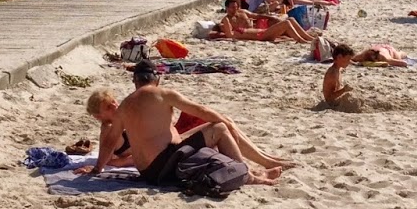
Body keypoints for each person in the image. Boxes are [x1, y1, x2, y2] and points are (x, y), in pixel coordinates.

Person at [92, 62, 282, 184]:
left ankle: (253, 167)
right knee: (220, 128)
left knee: (205, 130)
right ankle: (247, 175)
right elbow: (202, 111)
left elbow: (109, 141)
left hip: (146, 172)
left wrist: (96, 169)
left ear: (135, 81)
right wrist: (226, 122)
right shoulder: (163, 94)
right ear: (157, 79)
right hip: (165, 165)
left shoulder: (124, 105)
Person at [321, 44, 363, 112]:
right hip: (332, 104)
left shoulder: (338, 68)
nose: (349, 62)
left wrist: (356, 63)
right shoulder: (332, 74)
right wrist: (344, 90)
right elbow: (329, 98)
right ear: (339, 57)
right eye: (348, 59)